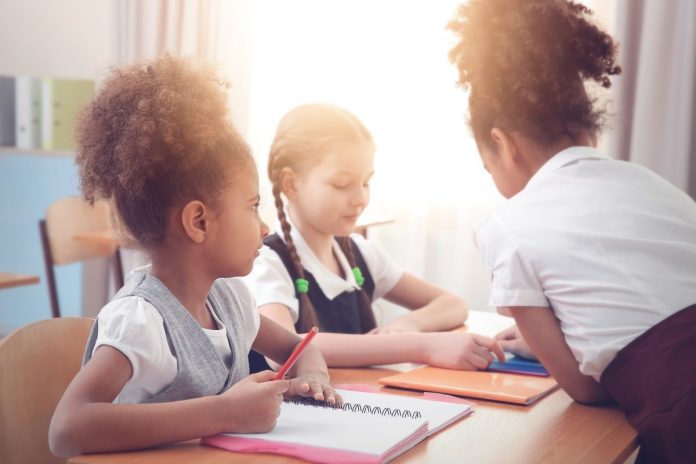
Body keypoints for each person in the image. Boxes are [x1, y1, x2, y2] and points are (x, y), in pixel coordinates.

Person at [48, 56, 337, 457]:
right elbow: (67, 429)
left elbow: (300, 347)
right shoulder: (141, 322)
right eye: (253, 206)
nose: (265, 226)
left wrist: (313, 375)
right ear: (199, 221)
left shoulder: (231, 301)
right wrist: (224, 413)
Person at [447, 1, 696, 462]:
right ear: (591, 131)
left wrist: (555, 350)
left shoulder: (506, 225)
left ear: (501, 144)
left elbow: (585, 388)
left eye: (487, 166)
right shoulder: (654, 185)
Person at [244, 102, 505, 371]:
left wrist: (408, 325)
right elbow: (284, 351)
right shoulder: (268, 262)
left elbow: (453, 304)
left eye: (366, 182)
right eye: (342, 184)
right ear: (291, 184)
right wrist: (420, 345)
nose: (360, 198)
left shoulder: (361, 253)